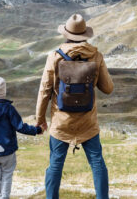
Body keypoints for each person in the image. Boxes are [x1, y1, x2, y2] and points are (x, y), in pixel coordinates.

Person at [35, 14, 114, 199]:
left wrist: (40, 120)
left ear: (66, 34)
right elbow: (108, 88)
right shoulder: (96, 55)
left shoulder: (55, 56)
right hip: (88, 122)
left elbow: (45, 90)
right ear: (85, 35)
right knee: (97, 163)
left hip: (61, 122)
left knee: (55, 163)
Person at [0, 76, 43, 199]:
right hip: (7, 151)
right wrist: (37, 130)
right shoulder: (9, 109)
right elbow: (20, 127)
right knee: (7, 176)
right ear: (4, 92)